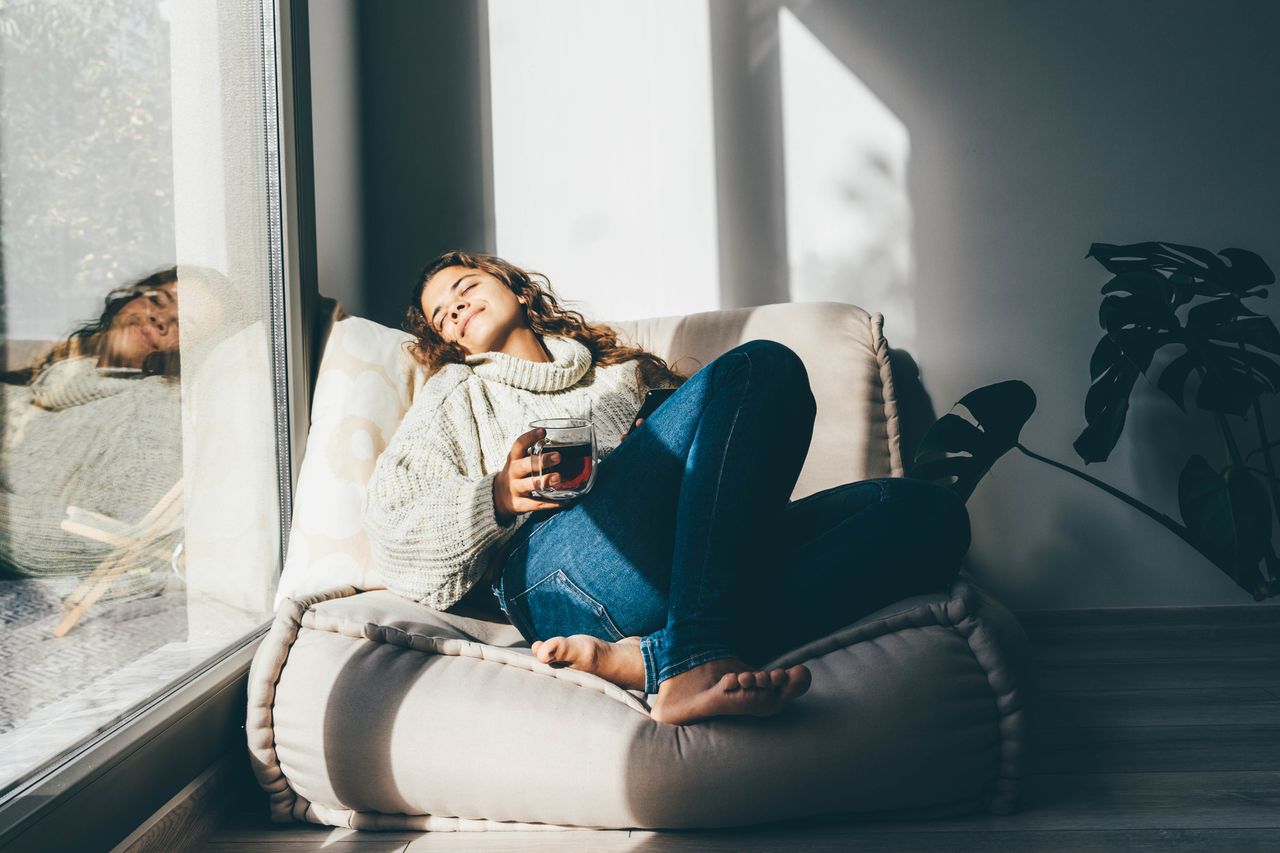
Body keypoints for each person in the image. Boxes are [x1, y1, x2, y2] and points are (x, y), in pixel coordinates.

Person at [363, 250, 972, 726]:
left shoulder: (623, 376)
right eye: (444, 314)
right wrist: (496, 495)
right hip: (553, 576)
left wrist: (649, 449)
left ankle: (656, 657)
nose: (456, 307)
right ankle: (699, 655)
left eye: (465, 287)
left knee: (927, 515)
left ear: (515, 287)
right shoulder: (456, 393)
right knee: (761, 363)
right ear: (452, 343)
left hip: (685, 560)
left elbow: (717, 469)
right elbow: (392, 526)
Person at [0, 268, 185, 602]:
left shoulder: (156, 405)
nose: (160, 319)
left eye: (182, 323)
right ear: (128, 299)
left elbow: (120, 544)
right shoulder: (61, 371)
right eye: (160, 300)